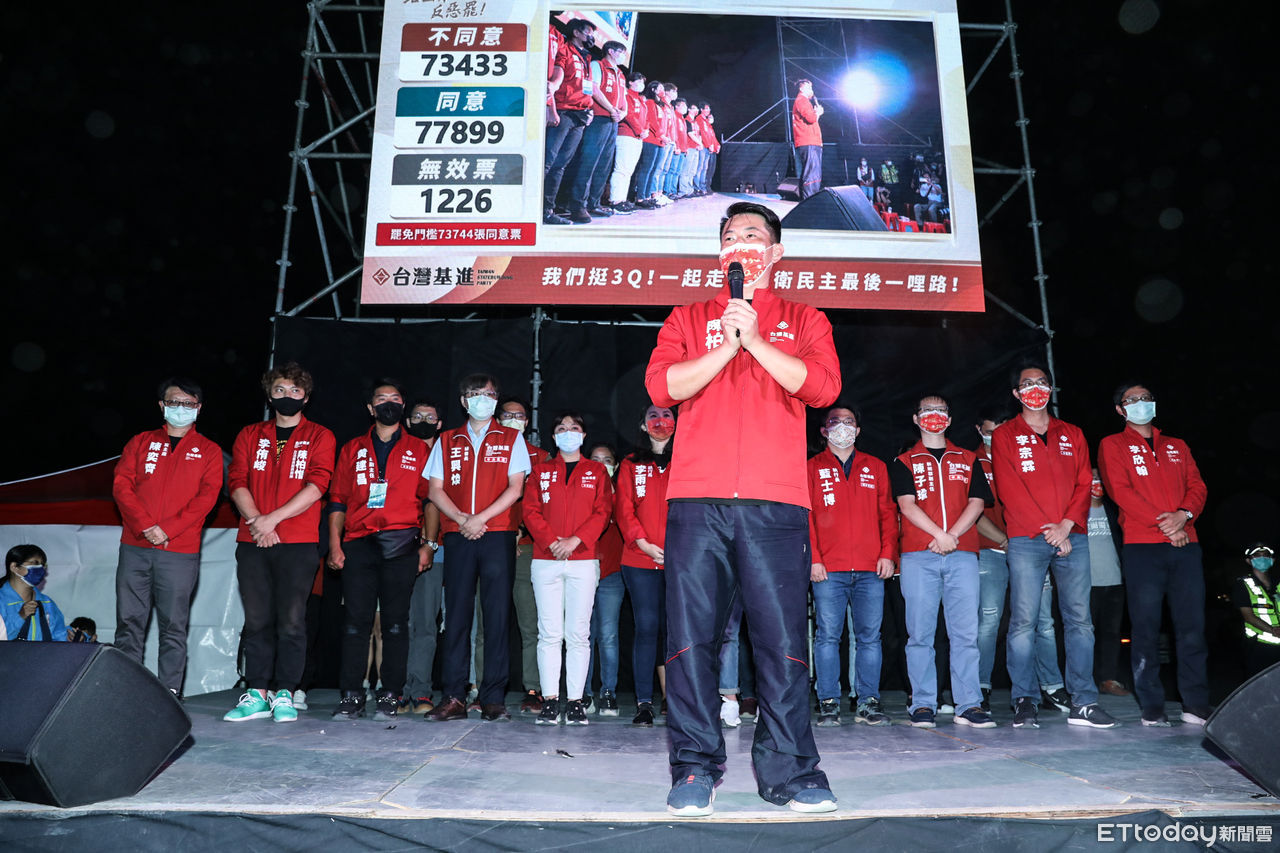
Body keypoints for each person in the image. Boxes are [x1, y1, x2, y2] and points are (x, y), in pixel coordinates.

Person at [645, 201, 841, 816]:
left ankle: (792, 772)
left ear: (776, 252)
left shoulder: (805, 317)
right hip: (696, 500)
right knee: (691, 643)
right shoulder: (688, 316)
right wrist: (727, 347)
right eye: (731, 236)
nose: (741, 243)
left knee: (782, 643)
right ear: (720, 254)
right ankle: (694, 768)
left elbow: (822, 388)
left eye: (754, 235)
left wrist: (756, 340)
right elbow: (663, 387)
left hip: (774, 501)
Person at [991, 363, 1116, 729]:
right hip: (1027, 538)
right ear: (1016, 393)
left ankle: (1084, 702)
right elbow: (1009, 488)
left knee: (1080, 620)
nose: (1036, 388)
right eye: (1027, 383)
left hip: (1071, 534)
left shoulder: (1072, 433)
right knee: (1024, 621)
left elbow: (1083, 481)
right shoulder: (1005, 435)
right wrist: (1050, 531)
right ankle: (1024, 699)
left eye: (1042, 382)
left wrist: (1066, 525)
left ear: (1051, 387)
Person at [224, 363, 335, 724]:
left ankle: (285, 693)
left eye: (295, 391)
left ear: (306, 396)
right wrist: (258, 520)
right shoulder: (250, 434)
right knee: (257, 620)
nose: (288, 396)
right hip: (253, 538)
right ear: (269, 395)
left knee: (292, 621)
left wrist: (272, 520)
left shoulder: (320, 436)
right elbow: (237, 480)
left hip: (298, 541)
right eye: (280, 390)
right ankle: (257, 693)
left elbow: (318, 485)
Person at [1098, 382, 1210, 726]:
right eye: (1132, 400)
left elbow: (1197, 486)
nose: (1141, 403)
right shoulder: (1112, 444)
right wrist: (1168, 525)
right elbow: (1120, 491)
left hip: (1186, 544)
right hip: (1142, 546)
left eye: (1146, 398)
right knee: (1145, 626)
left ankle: (1195, 703)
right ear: (1120, 410)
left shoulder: (1177, 445)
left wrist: (1184, 516)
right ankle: (1152, 705)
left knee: (1192, 627)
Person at [424, 374, 530, 722]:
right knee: (456, 616)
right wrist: (461, 519)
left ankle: (493, 698)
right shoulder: (446, 439)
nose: (482, 399)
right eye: (475, 393)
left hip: (496, 532)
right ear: (463, 401)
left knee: (496, 616)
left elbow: (516, 487)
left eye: (489, 394)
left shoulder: (512, 438)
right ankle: (454, 696)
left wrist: (480, 518)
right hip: (458, 534)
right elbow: (435, 489)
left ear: (496, 400)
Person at [327, 380, 433, 721]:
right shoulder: (352, 448)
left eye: (395, 398)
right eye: (382, 399)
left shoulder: (419, 449)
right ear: (371, 409)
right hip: (358, 542)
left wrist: (429, 545)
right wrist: (335, 544)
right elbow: (338, 500)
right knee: (355, 623)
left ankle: (390, 694)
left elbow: (430, 500)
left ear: (403, 407)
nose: (389, 403)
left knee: (396, 624)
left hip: (401, 543)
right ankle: (352, 694)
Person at [112, 376, 223, 698]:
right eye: (174, 402)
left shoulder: (209, 450)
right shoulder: (141, 442)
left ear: (198, 409)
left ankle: (169, 694)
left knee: (173, 626)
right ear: (162, 405)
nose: (180, 408)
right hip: (135, 546)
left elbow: (207, 497)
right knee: (129, 622)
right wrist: (145, 524)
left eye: (188, 404)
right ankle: (125, 691)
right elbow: (122, 485)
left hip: (179, 551)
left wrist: (168, 529)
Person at [892, 395, 995, 729]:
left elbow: (977, 503)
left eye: (940, 411)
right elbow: (906, 505)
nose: (933, 416)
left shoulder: (968, 458)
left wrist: (952, 536)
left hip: (962, 554)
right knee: (920, 634)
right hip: (918, 555)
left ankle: (968, 703)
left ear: (949, 419)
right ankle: (923, 703)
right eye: (927, 411)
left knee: (965, 634)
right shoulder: (904, 461)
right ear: (916, 418)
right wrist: (939, 535)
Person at [974, 410, 1070, 714]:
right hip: (993, 550)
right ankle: (980, 687)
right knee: (989, 621)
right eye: (991, 431)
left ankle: (1052, 686)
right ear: (979, 430)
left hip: (1032, 549)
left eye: (1003, 430)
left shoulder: (1026, 456)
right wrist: (1006, 541)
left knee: (1044, 622)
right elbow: (973, 513)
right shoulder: (973, 462)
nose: (998, 437)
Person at [808, 405, 897, 727]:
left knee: (869, 638)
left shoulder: (875, 466)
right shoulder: (811, 467)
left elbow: (888, 513)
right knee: (827, 637)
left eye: (849, 422)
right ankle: (828, 701)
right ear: (824, 430)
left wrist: (888, 553)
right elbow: (806, 516)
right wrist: (814, 558)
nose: (843, 427)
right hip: (828, 568)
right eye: (835, 422)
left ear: (858, 430)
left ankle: (868, 701)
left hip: (870, 567)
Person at [522, 412, 614, 725]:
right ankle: (550, 700)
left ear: (583, 435)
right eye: (561, 428)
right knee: (549, 633)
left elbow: (603, 511)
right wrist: (551, 542)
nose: (568, 432)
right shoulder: (540, 471)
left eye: (574, 428)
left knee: (578, 634)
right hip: (545, 560)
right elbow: (530, 511)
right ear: (553, 436)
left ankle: (575, 701)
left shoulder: (596, 471)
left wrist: (575, 540)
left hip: (583, 559)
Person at [616, 404, 676, 726]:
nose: (660, 421)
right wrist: (643, 543)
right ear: (643, 425)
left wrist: (678, 547)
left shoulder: (687, 460)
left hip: (680, 560)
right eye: (653, 416)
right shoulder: (630, 464)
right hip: (639, 558)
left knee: (676, 630)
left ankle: (677, 699)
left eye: (667, 416)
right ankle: (644, 703)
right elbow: (623, 508)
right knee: (647, 627)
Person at [497, 396, 551, 715]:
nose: (513, 420)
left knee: (531, 623)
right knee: (487, 625)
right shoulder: (487, 454)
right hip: (491, 543)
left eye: (519, 416)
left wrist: (521, 530)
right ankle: (481, 688)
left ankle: (533, 688)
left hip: (527, 547)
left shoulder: (541, 458)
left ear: (527, 422)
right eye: (507, 415)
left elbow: (545, 505)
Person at [402, 400, 444, 715]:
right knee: (397, 622)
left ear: (439, 423)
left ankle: (420, 690)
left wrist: (430, 543)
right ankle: (396, 689)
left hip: (437, 548)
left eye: (430, 417)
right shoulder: (397, 452)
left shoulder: (447, 454)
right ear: (407, 421)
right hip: (396, 546)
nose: (423, 420)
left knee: (425, 623)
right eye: (417, 416)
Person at [562, 40, 628, 222]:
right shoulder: (598, 65)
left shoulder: (620, 74)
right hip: (599, 119)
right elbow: (594, 88)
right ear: (611, 51)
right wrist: (611, 109)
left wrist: (622, 113)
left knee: (604, 163)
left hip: (613, 121)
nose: (623, 56)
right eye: (621, 52)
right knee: (589, 162)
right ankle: (578, 205)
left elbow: (623, 98)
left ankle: (594, 203)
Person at [543, 18, 597, 225]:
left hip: (580, 116)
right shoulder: (564, 49)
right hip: (563, 112)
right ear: (576, 32)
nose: (591, 37)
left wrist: (589, 109)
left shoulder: (587, 58)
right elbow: (557, 76)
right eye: (588, 32)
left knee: (561, 164)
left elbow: (587, 87)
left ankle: (548, 209)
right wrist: (552, 107)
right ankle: (534, 209)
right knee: (548, 161)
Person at [585, 442, 624, 715]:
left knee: (608, 635)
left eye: (607, 460)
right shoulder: (581, 493)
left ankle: (608, 692)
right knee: (583, 636)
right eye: (595, 459)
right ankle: (583, 694)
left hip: (611, 573)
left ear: (616, 465)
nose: (601, 465)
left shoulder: (621, 495)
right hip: (583, 571)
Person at [1086, 468, 1130, 697]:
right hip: (1086, 584)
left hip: (1114, 582)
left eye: (1100, 479)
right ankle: (1084, 681)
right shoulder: (1076, 511)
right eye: (1092, 478)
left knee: (1112, 633)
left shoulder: (1113, 511)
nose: (1096, 482)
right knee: (1084, 635)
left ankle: (1108, 679)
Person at [2, 545, 68, 642]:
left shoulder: (47, 603)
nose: (41, 568)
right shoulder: (2, 601)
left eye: (43, 565)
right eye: (35, 563)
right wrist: (20, 618)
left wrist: (72, 637)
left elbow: (59, 637)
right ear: (14, 567)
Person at [1233, 544, 1280, 677]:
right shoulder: (1243, 584)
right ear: (1249, 561)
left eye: (1266, 555)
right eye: (1257, 555)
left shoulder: (1278, 584)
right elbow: (1248, 616)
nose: (1262, 558)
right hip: (1259, 647)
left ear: (1273, 560)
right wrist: (1273, 630)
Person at [608, 71, 649, 214]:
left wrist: (645, 130)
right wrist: (640, 130)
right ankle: (615, 201)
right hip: (626, 135)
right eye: (639, 81)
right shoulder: (627, 95)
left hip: (638, 138)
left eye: (643, 82)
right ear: (630, 82)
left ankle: (622, 199)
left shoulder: (640, 100)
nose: (642, 84)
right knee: (621, 169)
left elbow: (646, 118)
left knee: (628, 171)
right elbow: (628, 115)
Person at [791, 79, 823, 200]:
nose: (812, 91)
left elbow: (811, 121)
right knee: (812, 173)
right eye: (809, 88)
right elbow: (811, 119)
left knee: (809, 171)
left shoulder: (802, 101)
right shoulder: (802, 100)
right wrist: (818, 113)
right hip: (809, 142)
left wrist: (815, 113)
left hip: (809, 141)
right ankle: (810, 201)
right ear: (801, 88)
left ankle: (806, 200)